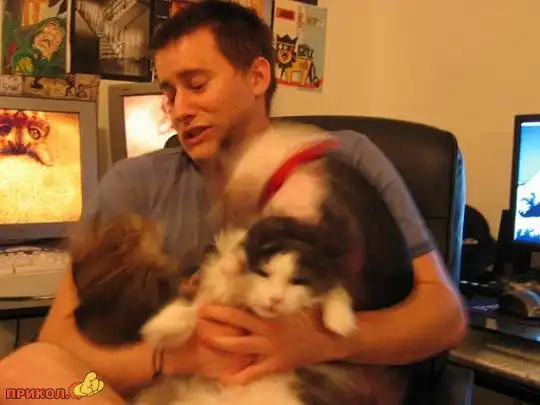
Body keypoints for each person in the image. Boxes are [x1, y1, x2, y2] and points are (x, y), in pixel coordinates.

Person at [0, 0, 467, 401]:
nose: (179, 110)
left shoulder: (344, 160)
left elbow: (445, 319)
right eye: (168, 92)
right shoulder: (134, 183)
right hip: (174, 385)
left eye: (197, 85)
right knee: (23, 376)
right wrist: (176, 358)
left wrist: (320, 343)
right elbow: (59, 341)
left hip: (305, 388)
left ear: (258, 76)